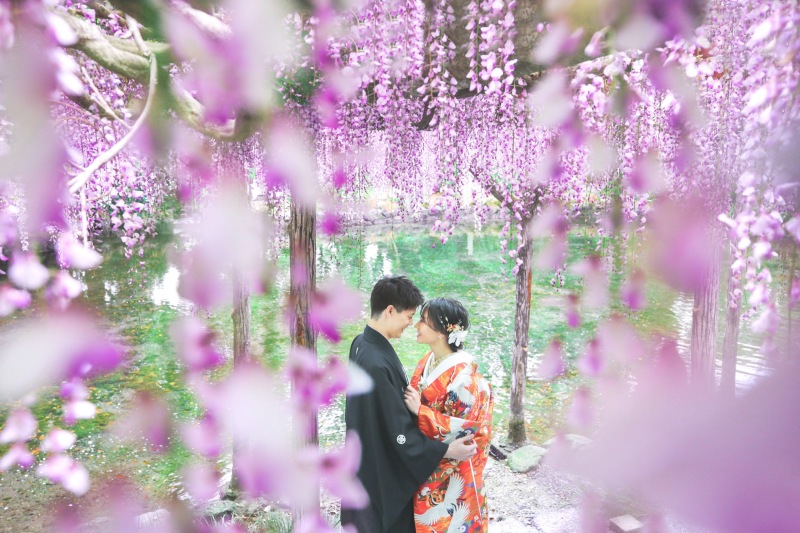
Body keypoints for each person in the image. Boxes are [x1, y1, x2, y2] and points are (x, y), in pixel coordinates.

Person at [342, 276, 478, 533]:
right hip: (381, 467)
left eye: (418, 319)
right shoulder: (376, 362)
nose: (411, 324)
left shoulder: (361, 343)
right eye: (409, 316)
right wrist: (446, 451)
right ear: (390, 310)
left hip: (364, 457)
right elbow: (399, 433)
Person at [403, 297, 493, 533]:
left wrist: (419, 411)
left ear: (443, 331)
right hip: (432, 457)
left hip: (454, 466)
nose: (416, 326)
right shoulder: (428, 361)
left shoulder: (465, 380)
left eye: (423, 321)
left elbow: (463, 431)